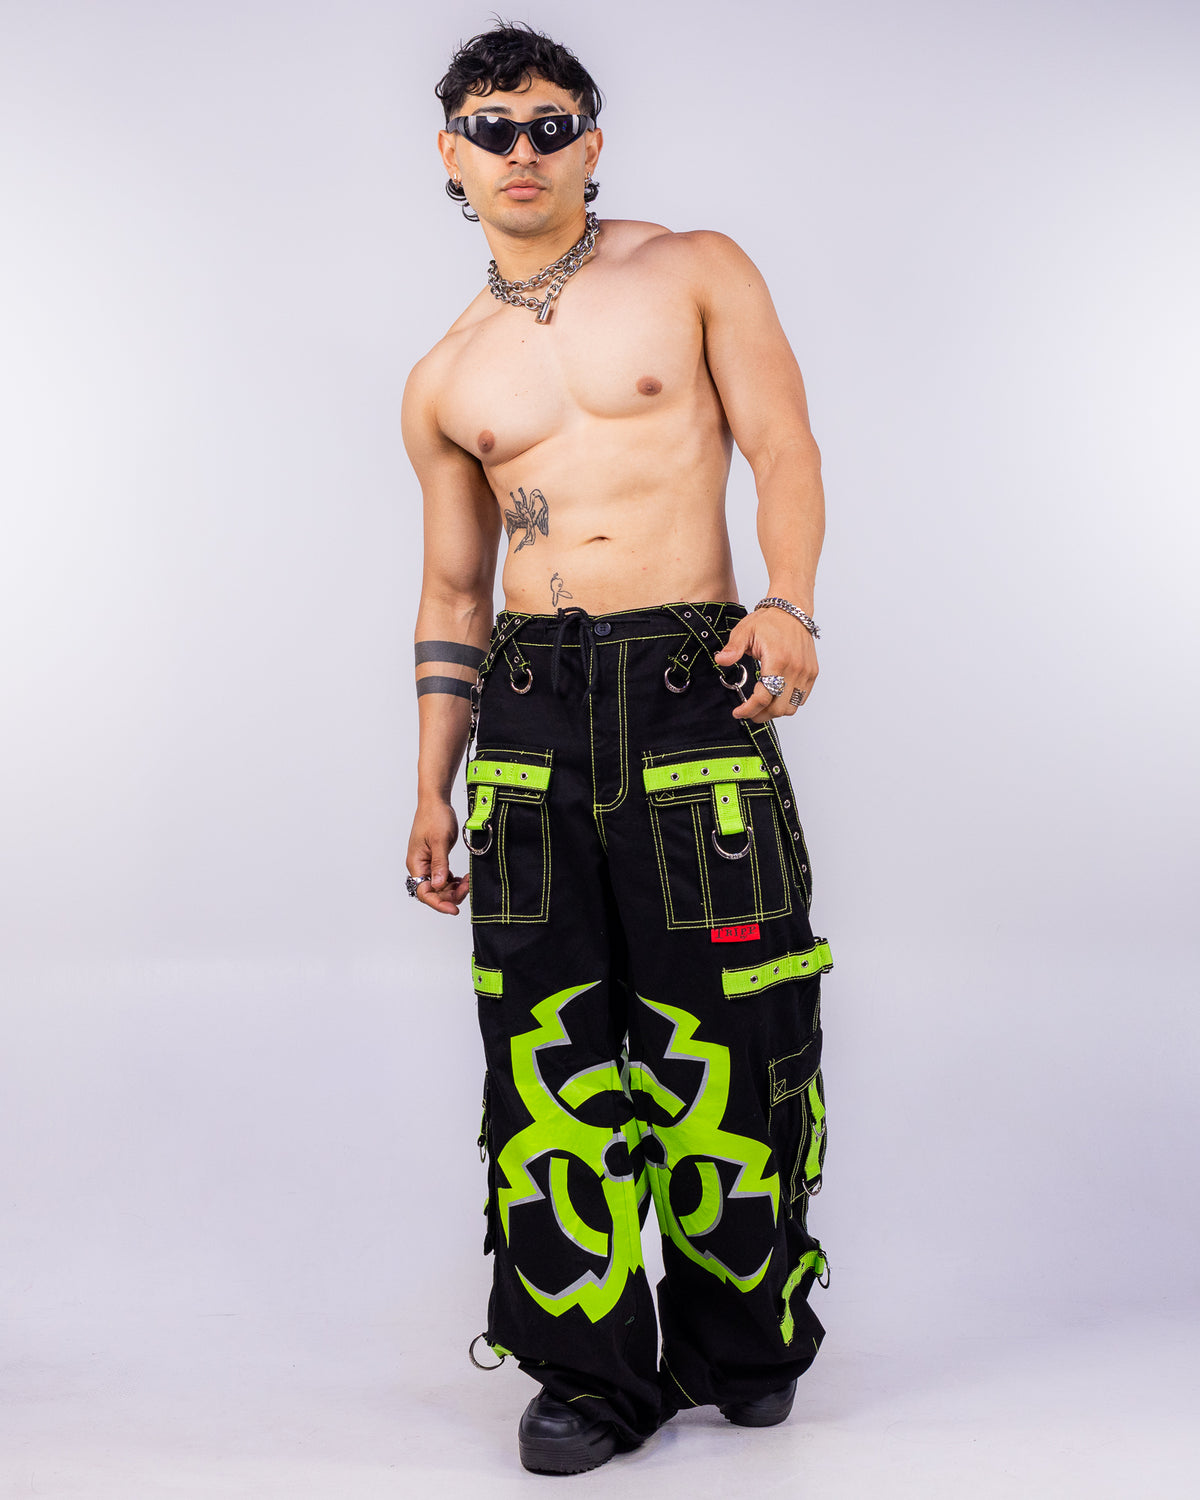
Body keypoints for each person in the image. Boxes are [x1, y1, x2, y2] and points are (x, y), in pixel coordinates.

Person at [402, 21, 833, 1476]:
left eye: (548, 124)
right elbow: (453, 594)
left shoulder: (693, 268)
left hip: (688, 681)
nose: (521, 150)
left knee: (732, 1025)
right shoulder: (445, 376)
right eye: (492, 128)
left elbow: (785, 444)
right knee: (548, 1047)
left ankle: (744, 1341)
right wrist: (429, 785)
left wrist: (789, 604)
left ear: (592, 142)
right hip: (528, 710)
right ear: (451, 156)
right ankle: (588, 1376)